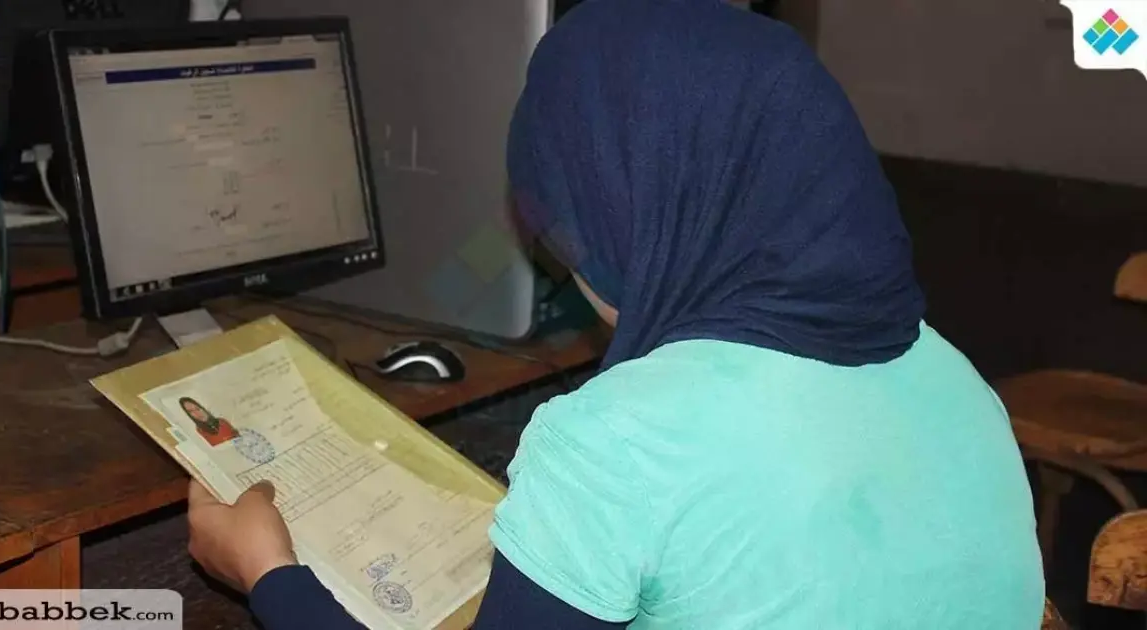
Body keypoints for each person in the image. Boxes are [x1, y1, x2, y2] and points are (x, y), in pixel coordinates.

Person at [186, 0, 1045, 627]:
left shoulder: (617, 441)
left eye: (570, 230)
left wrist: (270, 575)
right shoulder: (956, 380)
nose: (568, 262)